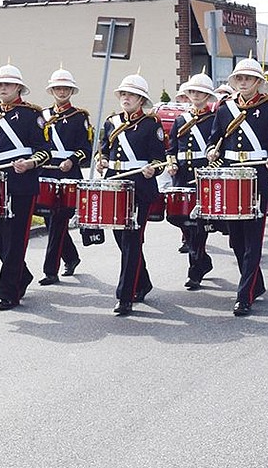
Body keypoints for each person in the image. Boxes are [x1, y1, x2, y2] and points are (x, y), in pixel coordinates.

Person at [206, 58, 268, 315]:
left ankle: (244, 296)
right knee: (236, 240)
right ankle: (257, 284)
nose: (243, 83)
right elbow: (214, 139)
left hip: (257, 176)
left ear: (257, 83)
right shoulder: (224, 109)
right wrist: (210, 152)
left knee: (253, 239)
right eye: (239, 78)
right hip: (230, 177)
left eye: (248, 79)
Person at [0, 64, 50, 310]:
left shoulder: (31, 114)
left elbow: (44, 152)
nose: (3, 88)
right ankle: (22, 275)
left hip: (20, 182)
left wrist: (29, 163)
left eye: (8, 84)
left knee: (15, 238)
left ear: (17, 87)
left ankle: (9, 292)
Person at [96, 74, 167, 316]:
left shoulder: (151, 124)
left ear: (141, 100)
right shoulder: (111, 122)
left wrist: (152, 169)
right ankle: (143, 281)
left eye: (132, 95)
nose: (126, 98)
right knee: (122, 240)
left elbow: (160, 160)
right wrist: (102, 160)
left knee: (131, 241)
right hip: (114, 186)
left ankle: (124, 296)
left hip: (140, 188)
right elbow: (104, 151)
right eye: (123, 94)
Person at [38, 68, 93, 285]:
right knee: (50, 221)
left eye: (65, 88)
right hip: (46, 173)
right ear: (52, 91)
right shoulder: (41, 115)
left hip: (69, 174)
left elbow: (86, 148)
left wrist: (72, 159)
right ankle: (71, 257)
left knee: (59, 220)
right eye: (58, 88)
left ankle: (50, 271)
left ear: (71, 91)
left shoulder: (80, 116)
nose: (61, 91)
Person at [167, 73, 219, 290]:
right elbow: (171, 148)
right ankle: (203, 261)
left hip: (202, 174)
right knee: (181, 220)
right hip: (181, 175)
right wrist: (171, 163)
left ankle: (195, 271)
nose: (195, 95)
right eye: (192, 92)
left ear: (207, 95)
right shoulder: (180, 120)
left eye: (200, 92)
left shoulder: (214, 119)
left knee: (198, 225)